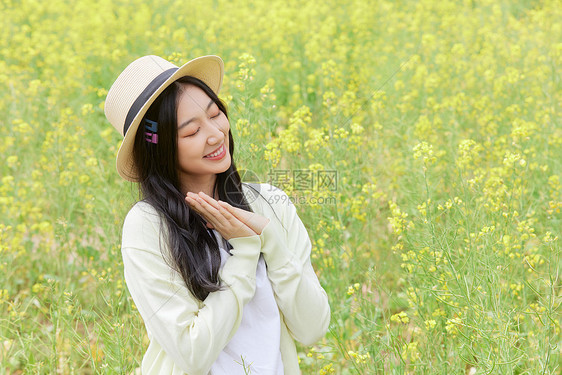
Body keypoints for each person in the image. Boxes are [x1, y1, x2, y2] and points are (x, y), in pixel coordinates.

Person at [104, 55, 330, 375]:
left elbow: (312, 329)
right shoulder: (147, 226)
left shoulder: (271, 203)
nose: (215, 134)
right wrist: (246, 251)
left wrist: (271, 240)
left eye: (215, 114)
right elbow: (193, 354)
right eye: (191, 131)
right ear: (159, 148)